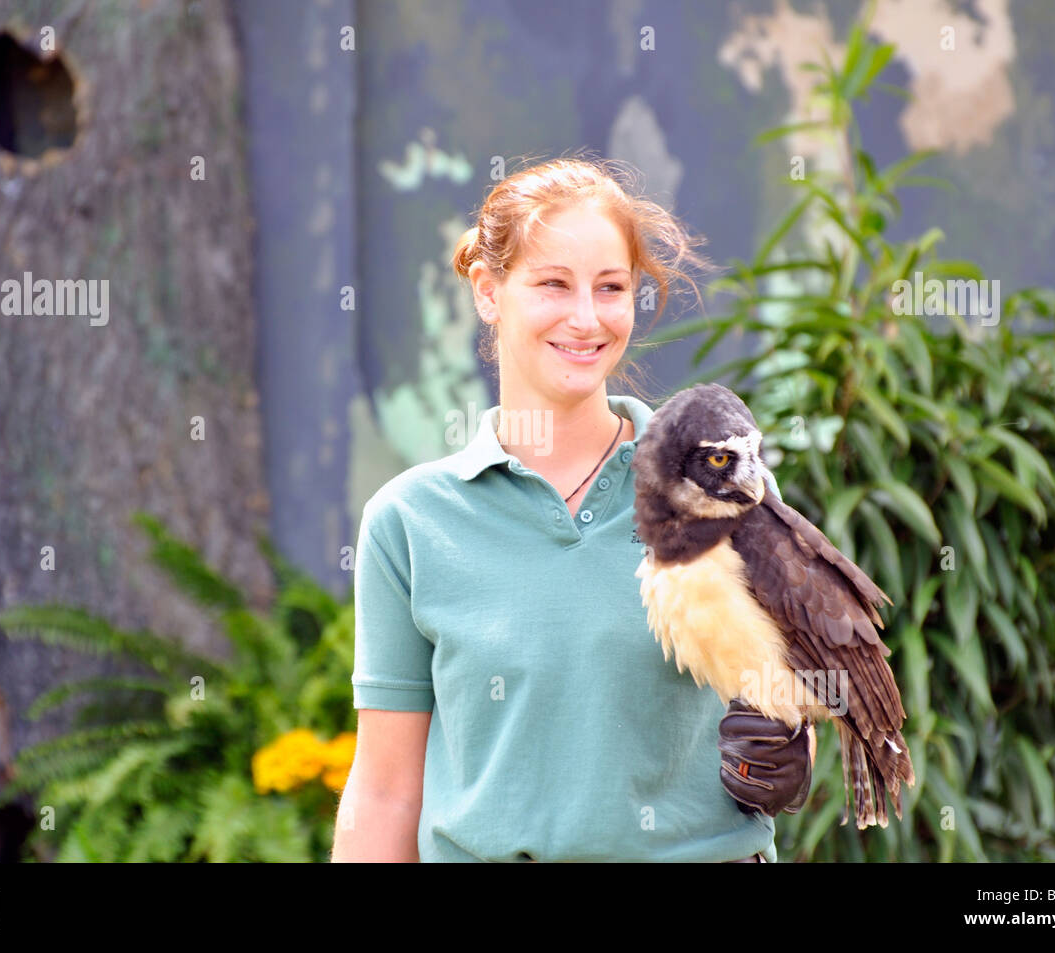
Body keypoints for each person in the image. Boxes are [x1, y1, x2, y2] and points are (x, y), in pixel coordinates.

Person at [331, 155, 813, 863]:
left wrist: (785, 745)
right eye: (553, 284)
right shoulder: (410, 522)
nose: (586, 319)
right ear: (488, 291)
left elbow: (789, 689)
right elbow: (382, 793)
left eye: (611, 287)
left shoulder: (720, 492)